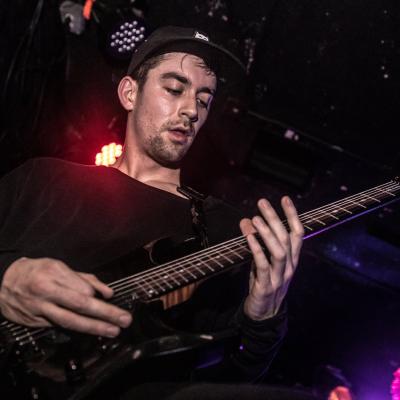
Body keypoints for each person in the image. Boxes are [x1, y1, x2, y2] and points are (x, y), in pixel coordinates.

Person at [0, 26, 310, 399]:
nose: (191, 110)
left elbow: (230, 374)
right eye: (175, 89)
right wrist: (5, 277)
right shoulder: (42, 178)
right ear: (130, 93)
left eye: (204, 100)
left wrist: (263, 319)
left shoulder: (224, 228)